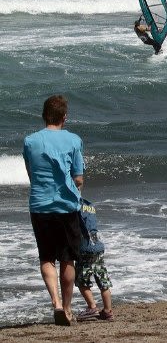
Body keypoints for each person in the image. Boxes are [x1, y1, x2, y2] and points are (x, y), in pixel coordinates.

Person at [23, 95, 84, 326]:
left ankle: (56, 304)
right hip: (66, 206)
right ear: (64, 117)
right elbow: (77, 177)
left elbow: (31, 175)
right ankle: (67, 309)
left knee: (47, 257)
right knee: (68, 259)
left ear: (43, 116)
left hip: (39, 205)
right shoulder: (74, 140)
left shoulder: (30, 141)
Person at [75, 198, 115, 322]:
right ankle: (108, 311)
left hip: (85, 247)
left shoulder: (74, 206)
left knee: (82, 281)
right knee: (103, 280)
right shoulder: (89, 205)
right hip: (98, 246)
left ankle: (92, 307)